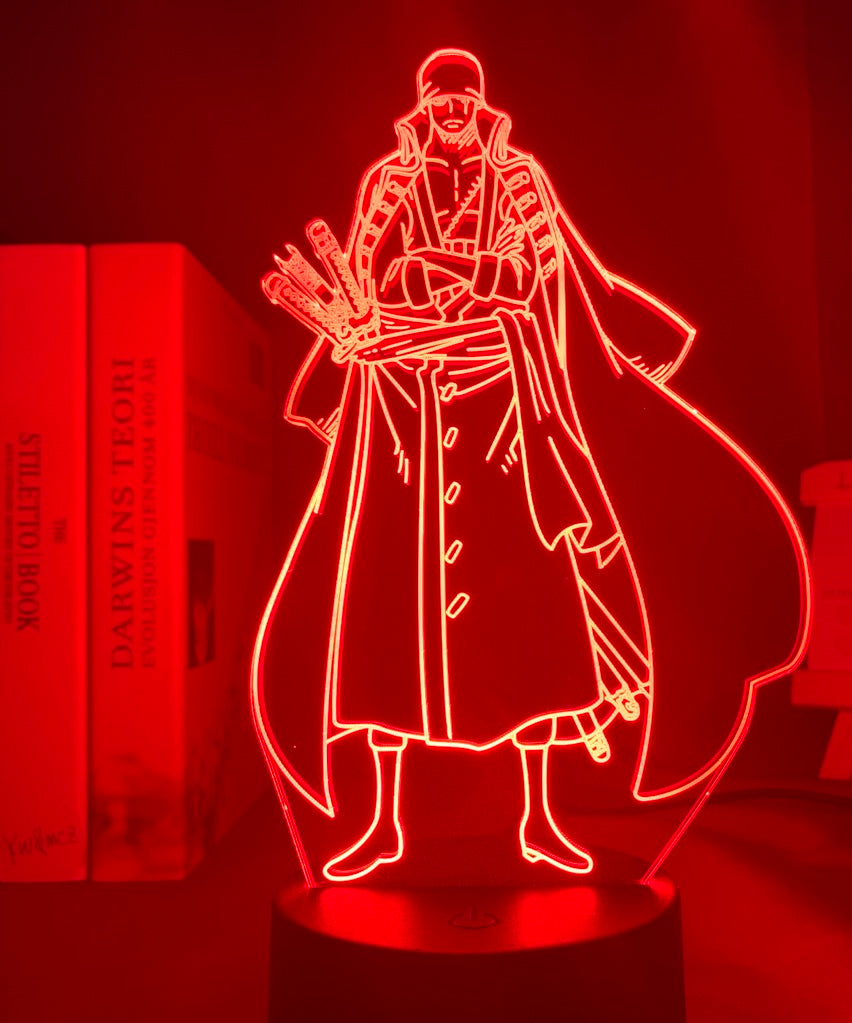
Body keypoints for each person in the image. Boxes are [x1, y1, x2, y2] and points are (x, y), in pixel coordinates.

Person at [252, 49, 810, 884]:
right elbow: (368, 283)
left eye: (463, 101)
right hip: (402, 408)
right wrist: (382, 319)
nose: (452, 114)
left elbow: (538, 275)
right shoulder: (388, 186)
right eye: (440, 101)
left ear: (479, 108)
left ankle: (540, 820)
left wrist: (449, 270)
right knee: (382, 619)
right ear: (423, 107)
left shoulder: (518, 180)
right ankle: (383, 822)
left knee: (535, 622)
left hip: (501, 406)